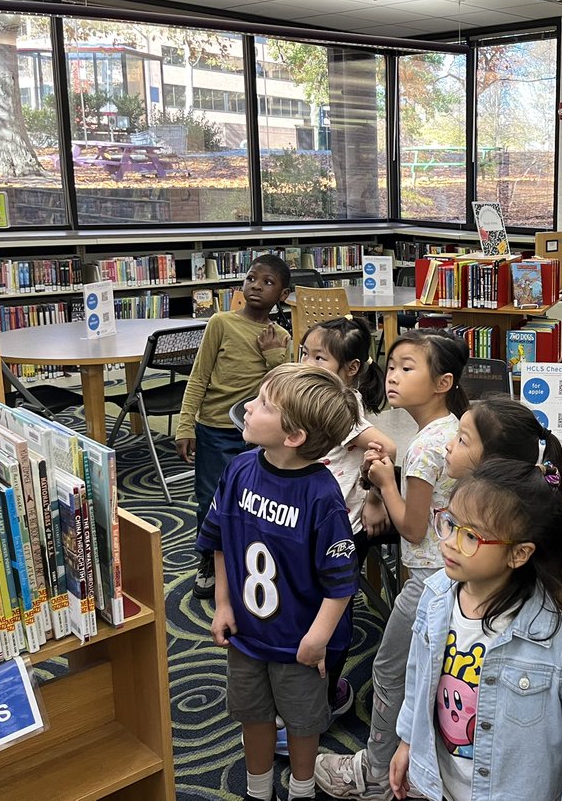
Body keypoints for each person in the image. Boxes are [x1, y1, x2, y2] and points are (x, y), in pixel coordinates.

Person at [388, 458, 562, 801]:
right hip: (444, 783)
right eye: (449, 523)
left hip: (514, 788)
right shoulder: (434, 598)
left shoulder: (548, 634)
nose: (448, 541)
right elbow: (419, 677)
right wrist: (407, 741)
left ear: (518, 554)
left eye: (471, 536)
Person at [314, 328, 469, 799]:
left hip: (427, 579)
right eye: (394, 366)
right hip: (449, 574)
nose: (394, 377)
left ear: (441, 382)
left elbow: (413, 528)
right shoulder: (449, 429)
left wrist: (384, 484)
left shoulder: (424, 448)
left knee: (389, 670)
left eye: (408, 368)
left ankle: (375, 774)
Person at [199, 363, 362, 801]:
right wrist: (224, 603)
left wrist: (317, 638)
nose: (247, 407)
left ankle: (302, 788)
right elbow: (217, 539)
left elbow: (341, 581)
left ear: (293, 437)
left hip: (299, 641)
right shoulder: (238, 470)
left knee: (304, 721)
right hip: (248, 633)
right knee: (252, 714)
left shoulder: (321, 496)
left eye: (263, 404)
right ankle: (257, 789)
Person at [297, 316, 399, 726]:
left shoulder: (341, 405)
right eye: (304, 353)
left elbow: (385, 446)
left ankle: (324, 695)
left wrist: (375, 496)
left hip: (341, 526)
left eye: (318, 357)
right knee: (313, 601)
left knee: (334, 607)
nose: (306, 362)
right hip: (312, 517)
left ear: (351, 368)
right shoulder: (315, 393)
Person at [178, 253, 292, 600]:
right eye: (251, 278)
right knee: (209, 499)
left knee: (257, 501)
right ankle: (208, 562)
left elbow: (283, 387)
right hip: (215, 429)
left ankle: (251, 562)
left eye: (268, 282)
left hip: (259, 434)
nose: (256, 286)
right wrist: (186, 425)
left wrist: (273, 354)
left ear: (283, 295)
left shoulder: (282, 336)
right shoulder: (221, 322)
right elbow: (199, 376)